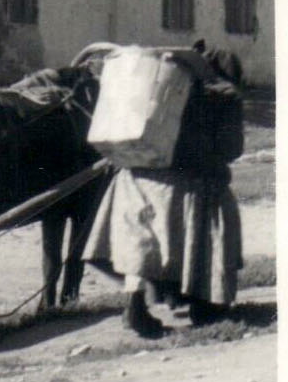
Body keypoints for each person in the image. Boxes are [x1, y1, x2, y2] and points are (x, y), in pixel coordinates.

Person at [84, 45, 245, 338]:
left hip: (135, 177)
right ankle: (202, 300)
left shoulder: (165, 86)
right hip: (188, 186)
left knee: (141, 244)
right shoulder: (225, 98)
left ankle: (136, 305)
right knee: (221, 208)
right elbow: (231, 149)